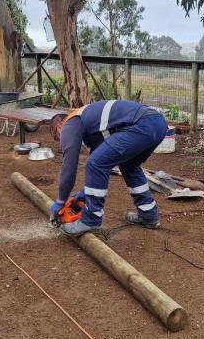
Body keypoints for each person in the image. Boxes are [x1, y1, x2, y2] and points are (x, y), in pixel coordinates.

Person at [49, 99, 168, 236]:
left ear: (59, 127)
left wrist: (60, 201)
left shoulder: (70, 123)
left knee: (95, 163)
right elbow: (101, 162)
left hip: (142, 124)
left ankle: (91, 220)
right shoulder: (90, 125)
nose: (60, 142)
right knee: (129, 166)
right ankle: (148, 215)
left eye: (57, 138)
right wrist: (84, 194)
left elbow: (69, 167)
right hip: (156, 123)